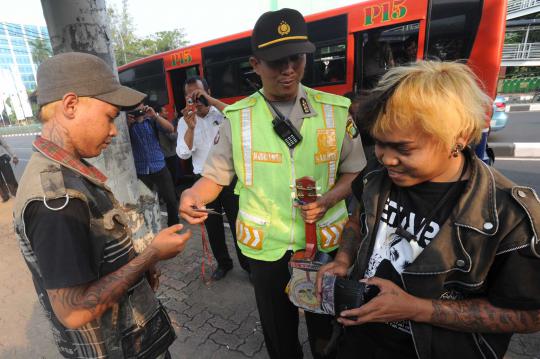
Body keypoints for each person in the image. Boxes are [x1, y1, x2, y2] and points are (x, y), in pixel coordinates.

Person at [316, 61, 540, 359]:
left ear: (457, 137)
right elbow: (359, 219)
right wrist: (343, 258)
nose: (385, 158)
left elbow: (530, 316)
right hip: (355, 340)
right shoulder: (376, 176)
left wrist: (418, 309)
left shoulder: (509, 216)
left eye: (403, 149)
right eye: (379, 143)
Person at [180, 8, 366, 358]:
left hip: (324, 243)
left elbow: (354, 171)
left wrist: (327, 200)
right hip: (265, 250)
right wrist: (192, 194)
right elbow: (214, 177)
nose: (289, 69)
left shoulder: (336, 111)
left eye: (296, 58)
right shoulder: (237, 119)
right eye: (276, 61)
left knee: (326, 332)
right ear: (255, 64)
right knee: (279, 335)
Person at [13, 52, 191, 358]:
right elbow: (73, 311)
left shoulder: (70, 171)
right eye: (109, 116)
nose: (113, 130)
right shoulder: (56, 199)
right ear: (70, 105)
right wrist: (150, 256)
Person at [177, 76, 248, 279]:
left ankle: (247, 265)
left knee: (237, 223)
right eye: (189, 96)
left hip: (229, 177)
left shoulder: (222, 113)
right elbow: (183, 153)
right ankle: (223, 264)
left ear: (207, 91)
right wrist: (191, 128)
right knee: (213, 227)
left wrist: (211, 100)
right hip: (203, 181)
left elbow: (240, 118)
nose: (195, 100)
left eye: (198, 94)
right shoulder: (185, 121)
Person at [128, 100, 179, 226]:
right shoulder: (128, 123)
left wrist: (155, 115)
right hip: (141, 170)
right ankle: (149, 229)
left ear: (144, 106)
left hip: (159, 166)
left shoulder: (151, 120)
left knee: (171, 200)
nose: (137, 109)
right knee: (146, 203)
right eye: (134, 106)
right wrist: (128, 124)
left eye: (139, 106)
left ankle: (173, 226)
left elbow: (170, 128)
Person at [156, 104, 182, 188]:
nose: (167, 112)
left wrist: (175, 118)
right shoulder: (162, 124)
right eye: (165, 111)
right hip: (169, 154)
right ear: (159, 113)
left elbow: (171, 125)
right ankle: (173, 194)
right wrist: (179, 132)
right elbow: (172, 137)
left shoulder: (163, 121)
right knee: (173, 175)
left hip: (169, 152)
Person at [0, 134, 18, 202]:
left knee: (10, 177)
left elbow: (6, 146)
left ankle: (16, 193)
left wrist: (14, 155)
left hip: (2, 158)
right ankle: (5, 196)